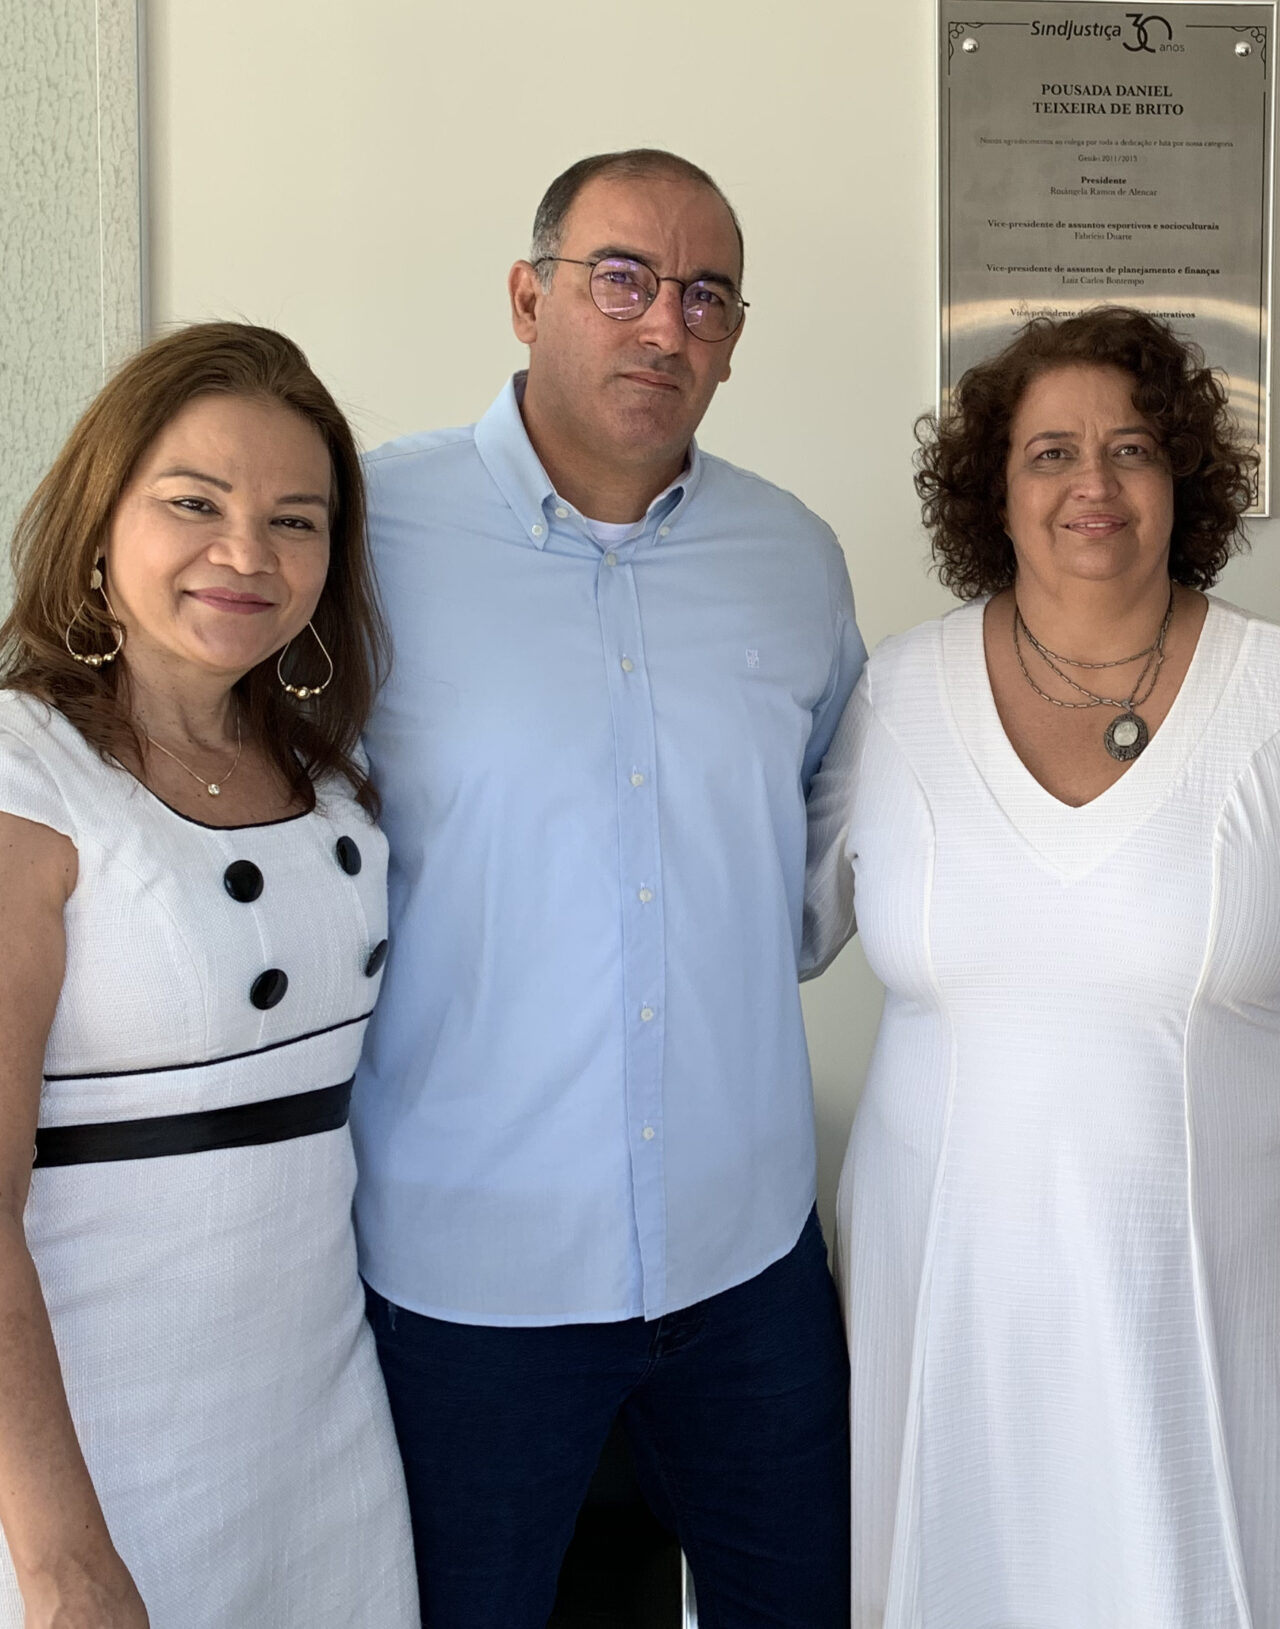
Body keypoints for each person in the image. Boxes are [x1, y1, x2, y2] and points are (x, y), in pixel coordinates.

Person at [801, 306, 1280, 1628]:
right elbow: (780, 928)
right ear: (994, 489)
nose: (1092, 484)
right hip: (951, 1281)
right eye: (1050, 452)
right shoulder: (896, 698)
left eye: (1133, 449)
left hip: (1222, 1281)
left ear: (1184, 480)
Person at [351, 149, 863, 1625]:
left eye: (706, 297)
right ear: (528, 298)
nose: (664, 326)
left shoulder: (792, 558)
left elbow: (824, 825)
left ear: (736, 339)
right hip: (469, 1273)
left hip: (744, 1257)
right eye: (621, 280)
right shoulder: (367, 535)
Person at [0, 323, 416, 1626]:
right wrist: (63, 1559)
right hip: (82, 1455)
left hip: (316, 1440)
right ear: (100, 519)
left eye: (295, 521)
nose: (247, 554)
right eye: (194, 503)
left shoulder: (332, 778)